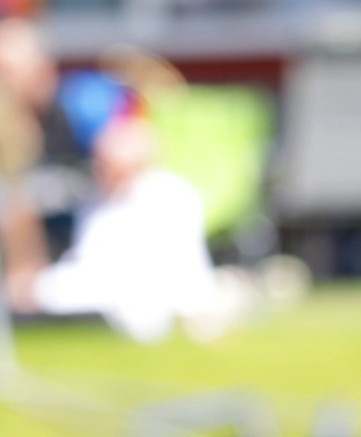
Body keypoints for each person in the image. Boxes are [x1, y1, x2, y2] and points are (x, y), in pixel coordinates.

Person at [24, 109, 225, 342]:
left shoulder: (171, 195)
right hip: (103, 283)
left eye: (107, 164)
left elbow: (162, 263)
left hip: (152, 286)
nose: (100, 170)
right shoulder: (97, 199)